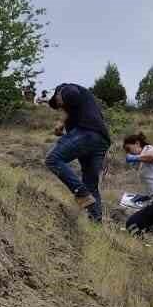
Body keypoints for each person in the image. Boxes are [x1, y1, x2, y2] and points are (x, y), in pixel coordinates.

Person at [45, 83, 111, 222]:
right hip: (100, 140)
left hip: (86, 133)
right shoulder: (87, 103)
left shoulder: (66, 88)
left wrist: (61, 121)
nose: (60, 107)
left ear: (58, 94)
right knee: (91, 185)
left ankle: (81, 194)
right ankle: (96, 224)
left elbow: (71, 94)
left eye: (59, 102)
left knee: (53, 159)